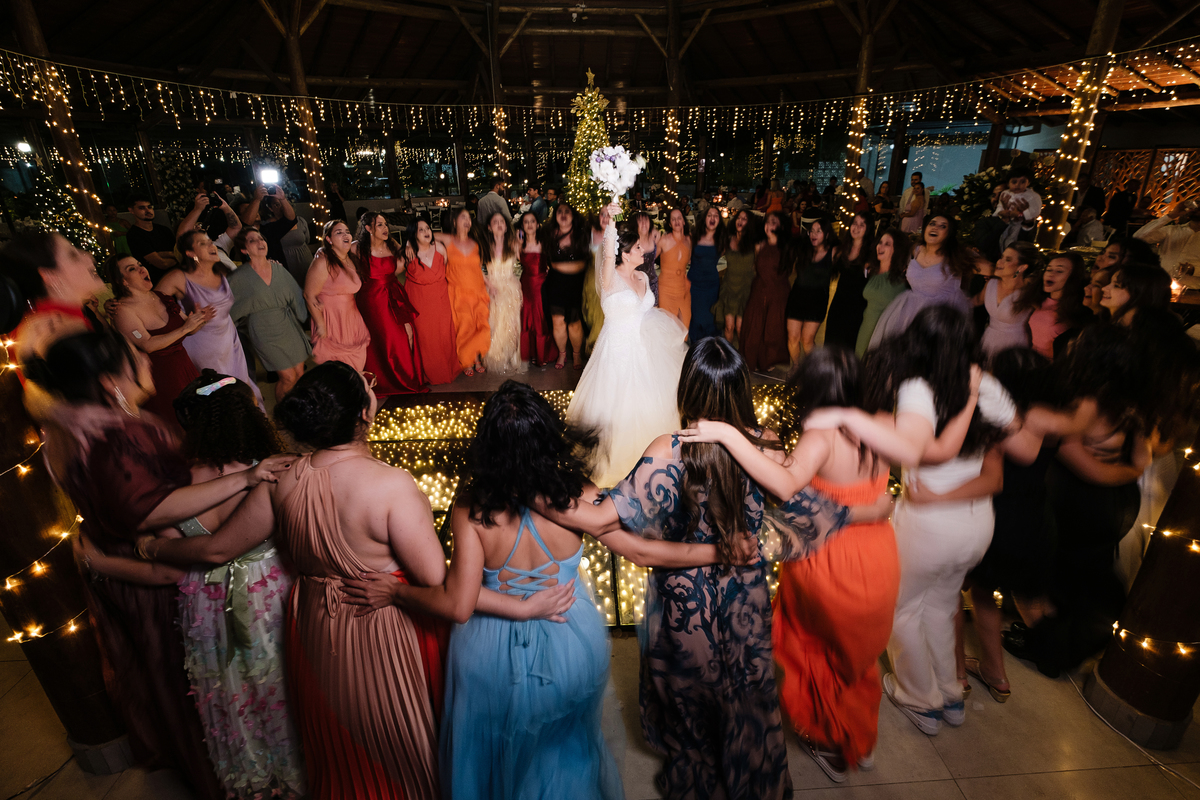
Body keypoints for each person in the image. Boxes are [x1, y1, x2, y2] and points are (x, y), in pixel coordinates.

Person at [343, 381, 757, 799]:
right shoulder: (576, 495)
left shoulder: (472, 506)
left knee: (492, 759)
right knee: (565, 752)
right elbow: (643, 552)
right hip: (569, 640)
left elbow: (457, 603)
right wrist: (720, 551)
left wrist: (397, 594)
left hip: (489, 654)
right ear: (547, 435)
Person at [554, 338, 870, 798]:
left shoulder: (669, 449)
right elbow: (798, 507)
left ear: (689, 390)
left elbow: (604, 518)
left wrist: (534, 491)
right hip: (745, 594)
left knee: (692, 705)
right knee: (747, 702)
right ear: (742, 390)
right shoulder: (765, 444)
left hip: (686, 603)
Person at [138, 362, 451, 799]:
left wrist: (152, 547)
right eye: (368, 387)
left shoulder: (280, 477)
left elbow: (221, 547)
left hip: (315, 625)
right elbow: (435, 578)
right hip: (380, 621)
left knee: (338, 740)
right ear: (363, 413)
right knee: (395, 739)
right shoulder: (392, 487)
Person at [25, 329, 294, 800]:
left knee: (218, 688)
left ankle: (246, 773)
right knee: (259, 682)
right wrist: (251, 477)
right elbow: (180, 530)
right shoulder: (131, 439)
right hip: (219, 582)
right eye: (136, 358)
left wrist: (105, 560)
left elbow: (171, 531)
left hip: (173, 590)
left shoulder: (73, 435)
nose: (147, 362)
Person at [677, 346, 900, 781]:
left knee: (813, 646)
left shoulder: (822, 435)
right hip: (877, 554)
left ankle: (832, 742)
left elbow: (784, 481)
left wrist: (727, 434)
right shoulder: (881, 422)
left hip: (830, 557)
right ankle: (860, 736)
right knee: (856, 656)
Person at [807, 306, 1017, 734]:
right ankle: (950, 695)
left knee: (901, 608)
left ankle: (920, 699)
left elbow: (918, 449)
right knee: (942, 606)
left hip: (930, 520)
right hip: (978, 525)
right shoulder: (983, 381)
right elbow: (1019, 434)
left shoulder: (918, 389)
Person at [161, 371, 306, 798]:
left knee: (228, 685)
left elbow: (165, 544)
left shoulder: (180, 484)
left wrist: (149, 547)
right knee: (281, 678)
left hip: (205, 598)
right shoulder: (274, 473)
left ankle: (254, 777)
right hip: (269, 591)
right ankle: (298, 770)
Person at [566, 205, 687, 487]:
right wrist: (612, 218)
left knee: (652, 407)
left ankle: (653, 462)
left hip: (646, 353)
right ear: (624, 253)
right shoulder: (610, 278)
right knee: (617, 409)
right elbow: (608, 252)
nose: (643, 251)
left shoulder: (644, 277)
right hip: (616, 353)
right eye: (637, 249)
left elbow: (650, 315)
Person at [158, 231, 263, 406]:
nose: (211, 246)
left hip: (229, 341)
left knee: (242, 386)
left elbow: (251, 275)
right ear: (190, 253)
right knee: (219, 393)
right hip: (203, 345)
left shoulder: (221, 270)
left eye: (210, 242)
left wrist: (270, 264)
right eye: (203, 243)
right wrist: (184, 317)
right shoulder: (178, 277)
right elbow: (153, 303)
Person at [107, 255, 207, 430]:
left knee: (200, 421)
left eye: (139, 264)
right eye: (131, 269)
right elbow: (147, 344)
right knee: (177, 429)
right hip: (160, 378)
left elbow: (189, 329)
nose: (142, 269)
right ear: (121, 281)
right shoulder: (122, 310)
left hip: (185, 368)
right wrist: (184, 329)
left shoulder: (161, 297)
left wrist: (198, 320)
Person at [868, 214, 975, 349]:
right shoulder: (916, 249)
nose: (935, 228)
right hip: (910, 311)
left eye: (942, 226)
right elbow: (894, 257)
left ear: (949, 233)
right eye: (932, 223)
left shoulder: (957, 255)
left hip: (940, 315)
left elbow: (991, 269)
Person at [229, 227, 311, 400]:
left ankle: (298, 410)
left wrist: (308, 318)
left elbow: (296, 293)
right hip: (263, 330)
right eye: (253, 240)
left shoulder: (278, 268)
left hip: (288, 326)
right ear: (244, 249)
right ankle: (282, 416)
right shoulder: (239, 277)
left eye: (261, 238)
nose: (260, 242)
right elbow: (227, 306)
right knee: (287, 377)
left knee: (300, 373)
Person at [351, 212, 428, 395]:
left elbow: (406, 257)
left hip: (394, 293)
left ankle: (407, 378)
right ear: (368, 228)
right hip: (372, 299)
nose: (385, 228)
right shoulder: (357, 248)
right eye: (379, 225)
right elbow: (334, 254)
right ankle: (387, 381)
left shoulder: (392, 244)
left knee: (407, 334)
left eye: (386, 224)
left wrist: (409, 243)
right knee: (386, 340)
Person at [305, 220, 370, 371]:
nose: (345, 235)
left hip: (351, 318)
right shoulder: (323, 261)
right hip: (331, 320)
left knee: (357, 365)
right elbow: (309, 295)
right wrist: (321, 324)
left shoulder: (351, 257)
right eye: (338, 232)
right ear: (329, 239)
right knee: (339, 369)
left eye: (347, 231)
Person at [436, 209, 491, 377]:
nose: (468, 220)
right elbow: (424, 235)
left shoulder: (476, 243)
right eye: (463, 217)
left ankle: (477, 358)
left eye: (469, 217)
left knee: (479, 325)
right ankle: (467, 360)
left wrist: (489, 283)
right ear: (454, 222)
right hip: (458, 292)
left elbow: (478, 268)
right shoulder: (447, 239)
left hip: (478, 290)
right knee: (465, 326)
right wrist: (409, 244)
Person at [404, 219, 460, 385]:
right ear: (413, 234)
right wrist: (407, 244)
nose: (426, 232)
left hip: (441, 298)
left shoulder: (440, 248)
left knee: (444, 334)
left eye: (427, 228)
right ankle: (430, 372)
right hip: (420, 301)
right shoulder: (408, 253)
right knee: (426, 338)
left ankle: (448, 369)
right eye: (420, 230)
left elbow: (448, 268)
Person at [740, 211, 792, 371]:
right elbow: (755, 266)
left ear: (781, 226)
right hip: (759, 289)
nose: (770, 226)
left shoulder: (787, 247)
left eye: (774, 222)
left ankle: (768, 360)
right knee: (754, 325)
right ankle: (753, 360)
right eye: (767, 222)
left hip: (778, 292)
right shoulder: (759, 244)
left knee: (773, 328)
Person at [542, 202, 589, 370]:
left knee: (574, 322)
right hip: (555, 285)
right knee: (557, 321)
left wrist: (556, 266)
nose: (563, 214)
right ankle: (562, 353)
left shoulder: (581, 235)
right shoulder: (548, 235)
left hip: (576, 284)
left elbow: (581, 265)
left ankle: (576, 354)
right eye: (559, 212)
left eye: (567, 211)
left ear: (573, 215)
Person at [975, 242, 1040, 362]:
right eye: (1001, 257)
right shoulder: (991, 283)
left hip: (1015, 345)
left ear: (1021, 267)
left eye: (1008, 259)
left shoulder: (1029, 293)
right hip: (989, 339)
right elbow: (977, 300)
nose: (1000, 262)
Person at [787, 213, 838, 363]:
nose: (813, 234)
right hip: (797, 297)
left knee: (807, 340)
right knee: (793, 337)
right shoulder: (803, 249)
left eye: (818, 231)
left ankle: (812, 370)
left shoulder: (833, 252)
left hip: (817, 301)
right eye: (812, 231)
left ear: (827, 234)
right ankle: (796, 367)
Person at [855, 228, 911, 358]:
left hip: (885, 334)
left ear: (897, 249)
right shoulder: (871, 271)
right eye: (880, 242)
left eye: (887, 244)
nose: (880, 246)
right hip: (865, 328)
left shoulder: (903, 278)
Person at [823, 211, 873, 349]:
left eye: (862, 225)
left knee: (849, 346)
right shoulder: (843, 248)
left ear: (868, 229)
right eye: (855, 223)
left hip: (857, 308)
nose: (856, 227)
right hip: (839, 303)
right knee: (831, 343)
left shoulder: (871, 253)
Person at [481, 212, 524, 374]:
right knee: (495, 323)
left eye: (502, 222)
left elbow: (526, 260)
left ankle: (512, 356)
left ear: (506, 227)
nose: (499, 224)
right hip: (492, 287)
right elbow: (478, 269)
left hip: (511, 287)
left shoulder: (513, 245)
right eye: (495, 222)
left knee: (512, 324)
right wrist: (489, 285)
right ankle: (498, 357)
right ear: (489, 228)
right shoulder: (485, 246)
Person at [239, 184, 308, 281]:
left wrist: (283, 199)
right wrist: (257, 200)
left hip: (280, 277)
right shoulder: (241, 235)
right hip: (257, 278)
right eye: (247, 210)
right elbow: (245, 224)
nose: (254, 210)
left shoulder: (268, 229)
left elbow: (291, 219)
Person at [1030, 251, 1090, 359]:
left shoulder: (1076, 310)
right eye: (1048, 269)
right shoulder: (1038, 300)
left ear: (1073, 276)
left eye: (1059, 271)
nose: (1051, 274)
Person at [516, 211, 557, 366]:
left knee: (540, 319)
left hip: (541, 284)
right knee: (526, 317)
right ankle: (530, 353)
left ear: (538, 224)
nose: (529, 224)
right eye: (526, 222)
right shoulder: (519, 244)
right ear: (522, 226)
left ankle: (542, 353)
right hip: (525, 284)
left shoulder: (544, 242)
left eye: (532, 221)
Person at [715, 209, 758, 345]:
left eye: (744, 219)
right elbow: (714, 255)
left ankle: (743, 360)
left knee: (741, 329)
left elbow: (758, 267)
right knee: (729, 327)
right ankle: (730, 359)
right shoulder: (728, 240)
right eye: (739, 218)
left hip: (745, 289)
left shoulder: (754, 243)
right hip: (729, 288)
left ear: (749, 223)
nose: (740, 221)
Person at [175, 192, 242, 270]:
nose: (198, 227)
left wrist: (225, 206)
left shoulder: (218, 246)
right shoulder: (192, 254)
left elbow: (236, 228)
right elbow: (182, 236)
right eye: (195, 226)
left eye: (200, 225)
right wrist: (197, 209)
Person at [689, 206, 726, 341]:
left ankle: (710, 350)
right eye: (709, 215)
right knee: (696, 317)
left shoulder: (722, 239)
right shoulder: (694, 235)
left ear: (719, 220)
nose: (712, 218)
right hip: (695, 285)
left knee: (710, 318)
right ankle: (697, 350)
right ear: (704, 218)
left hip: (711, 285)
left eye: (716, 215)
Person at [1134, 200, 1200, 276]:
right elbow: (1138, 237)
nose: (1197, 208)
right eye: (1197, 206)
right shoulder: (1171, 230)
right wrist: (1171, 215)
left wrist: (1193, 270)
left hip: (1191, 286)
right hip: (1162, 284)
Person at [125, 195, 180, 284]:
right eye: (142, 208)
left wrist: (161, 254)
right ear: (131, 210)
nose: (148, 211)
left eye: (149, 207)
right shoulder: (134, 234)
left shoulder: (164, 230)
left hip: (178, 277)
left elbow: (180, 253)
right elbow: (162, 264)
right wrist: (175, 256)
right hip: (157, 282)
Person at [658, 207, 693, 330]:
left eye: (679, 218)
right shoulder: (664, 240)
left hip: (683, 288)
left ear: (684, 221)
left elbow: (689, 260)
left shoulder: (689, 240)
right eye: (673, 219)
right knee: (668, 327)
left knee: (684, 325)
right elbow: (648, 259)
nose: (677, 221)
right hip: (666, 289)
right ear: (669, 223)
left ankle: (680, 349)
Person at [994, 167, 1043, 248]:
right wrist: (1002, 212)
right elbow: (1000, 206)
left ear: (1028, 183)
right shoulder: (1004, 193)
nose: (1018, 185)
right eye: (1014, 182)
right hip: (1006, 222)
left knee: (1013, 242)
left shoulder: (1033, 196)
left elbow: (1036, 210)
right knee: (1002, 239)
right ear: (1008, 183)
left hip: (1021, 225)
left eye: (1023, 182)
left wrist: (1022, 214)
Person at [633, 210, 661, 303]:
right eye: (640, 221)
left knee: (654, 315)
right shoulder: (632, 242)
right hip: (636, 287)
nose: (644, 223)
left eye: (646, 220)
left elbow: (655, 257)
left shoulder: (655, 239)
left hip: (653, 285)